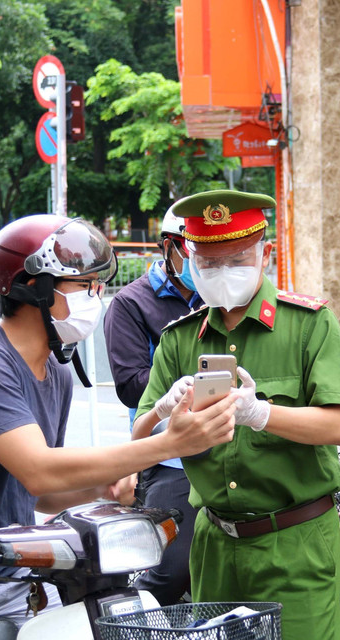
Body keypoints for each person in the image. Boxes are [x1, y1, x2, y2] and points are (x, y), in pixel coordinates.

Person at [0, 214, 236, 640]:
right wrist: (167, 444)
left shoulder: (55, 373)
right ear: (34, 287)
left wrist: (102, 489)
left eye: (97, 285)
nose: (96, 296)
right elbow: (41, 468)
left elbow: (37, 491)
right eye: (84, 285)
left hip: (11, 587)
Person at [132, 189, 340, 640]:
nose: (222, 273)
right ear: (189, 259)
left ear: (265, 253)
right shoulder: (180, 340)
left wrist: (260, 414)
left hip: (295, 542)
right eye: (208, 262)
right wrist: (163, 409)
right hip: (214, 543)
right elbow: (140, 442)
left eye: (236, 259)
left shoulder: (309, 325)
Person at [103, 207, 203, 605]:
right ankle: (136, 619)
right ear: (169, 247)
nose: (205, 265)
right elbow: (130, 385)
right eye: (194, 253)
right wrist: (178, 385)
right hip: (166, 454)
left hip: (231, 440)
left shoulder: (225, 297)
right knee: (174, 566)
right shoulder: (131, 305)